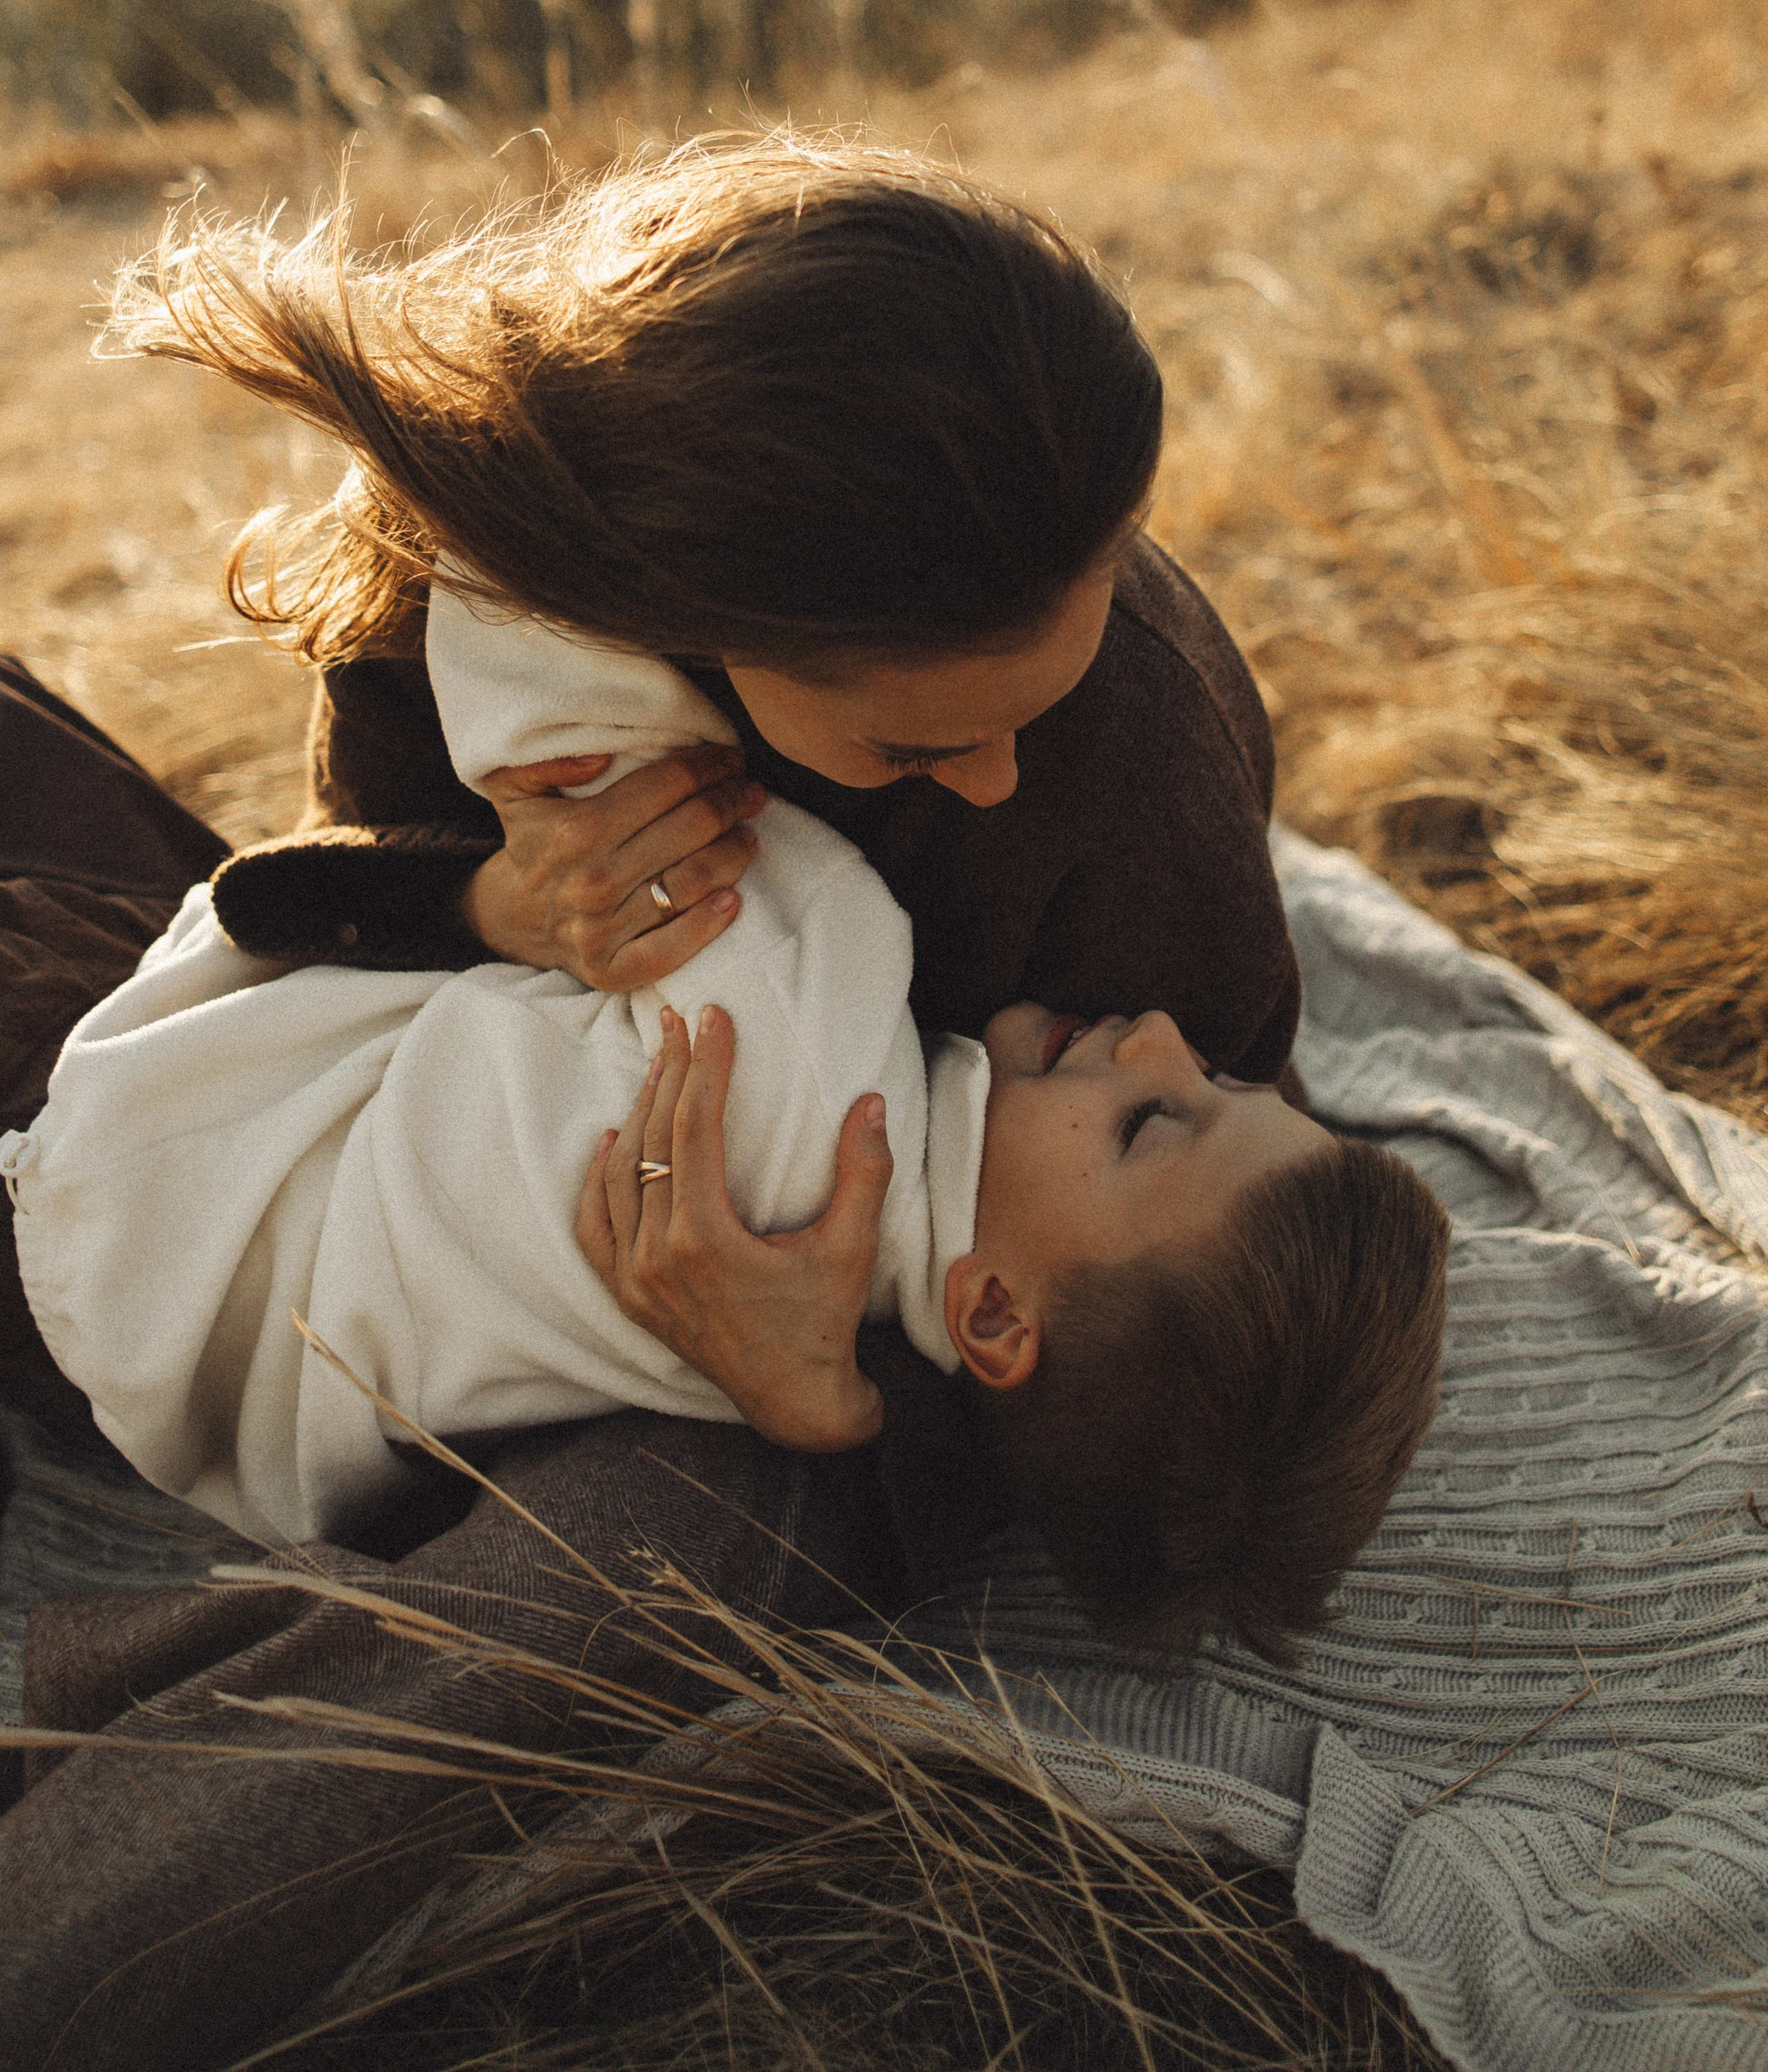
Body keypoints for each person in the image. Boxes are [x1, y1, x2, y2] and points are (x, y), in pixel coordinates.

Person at [0, 136, 1307, 2069]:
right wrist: (490, 903)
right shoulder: (482, 610)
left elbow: (1167, 1290)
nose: (997, 781)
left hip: (793, 1394)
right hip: (388, 1090)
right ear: (696, 607)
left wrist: (837, 1396)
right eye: (921, 743)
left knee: (659, 1549)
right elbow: (338, 946)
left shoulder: (1128, 796)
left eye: (1049, 684)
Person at [11, 610, 1448, 1658]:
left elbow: (568, 716)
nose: (1161, 1036)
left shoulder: (816, 1011)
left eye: (1151, 1125)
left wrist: (558, 510)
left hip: (151, 1155)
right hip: (197, 1401)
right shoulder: (846, 1342)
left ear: (997, 1314)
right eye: (1227, 1078)